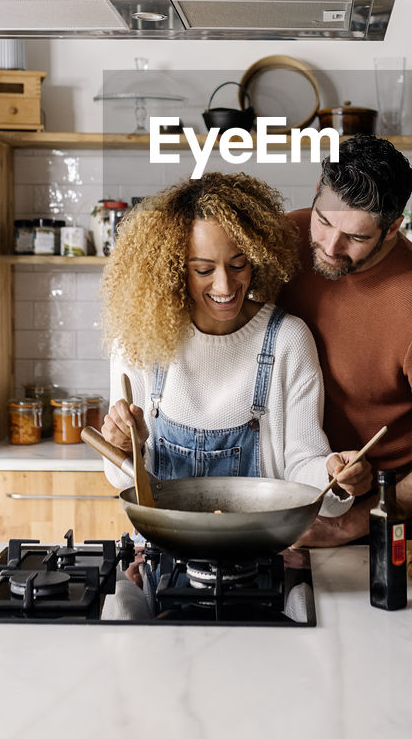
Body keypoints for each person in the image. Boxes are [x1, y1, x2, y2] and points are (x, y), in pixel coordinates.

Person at [99, 171, 373, 512]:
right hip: (164, 552)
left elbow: (304, 470)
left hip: (259, 551)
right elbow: (124, 479)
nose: (225, 287)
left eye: (237, 264)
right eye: (203, 270)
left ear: (256, 257)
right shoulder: (140, 338)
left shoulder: (288, 339)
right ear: (172, 269)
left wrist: (336, 478)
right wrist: (126, 449)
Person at [279, 134, 412, 546]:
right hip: (280, 507)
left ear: (393, 226)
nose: (329, 246)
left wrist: (349, 525)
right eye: (324, 220)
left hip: (373, 529)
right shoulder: (287, 237)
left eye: (356, 238)